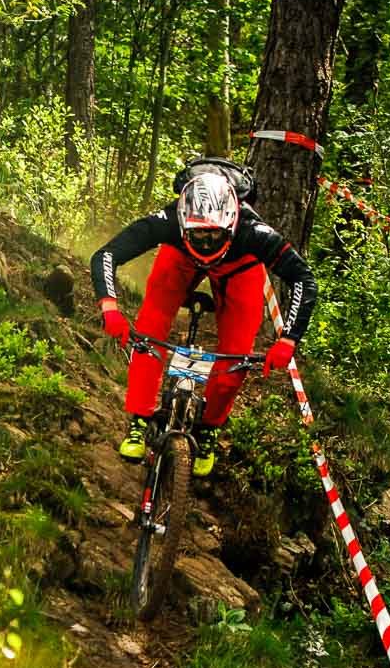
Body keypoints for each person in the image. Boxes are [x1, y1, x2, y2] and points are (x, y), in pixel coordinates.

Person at [88, 170, 318, 477]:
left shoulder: (253, 232)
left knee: (237, 356)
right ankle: (138, 421)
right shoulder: (168, 221)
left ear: (232, 226)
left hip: (240, 265)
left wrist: (288, 340)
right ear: (184, 223)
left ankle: (209, 430)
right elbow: (106, 255)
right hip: (180, 257)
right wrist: (110, 308)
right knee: (149, 329)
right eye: (200, 234)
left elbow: (303, 278)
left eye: (215, 235)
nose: (208, 243)